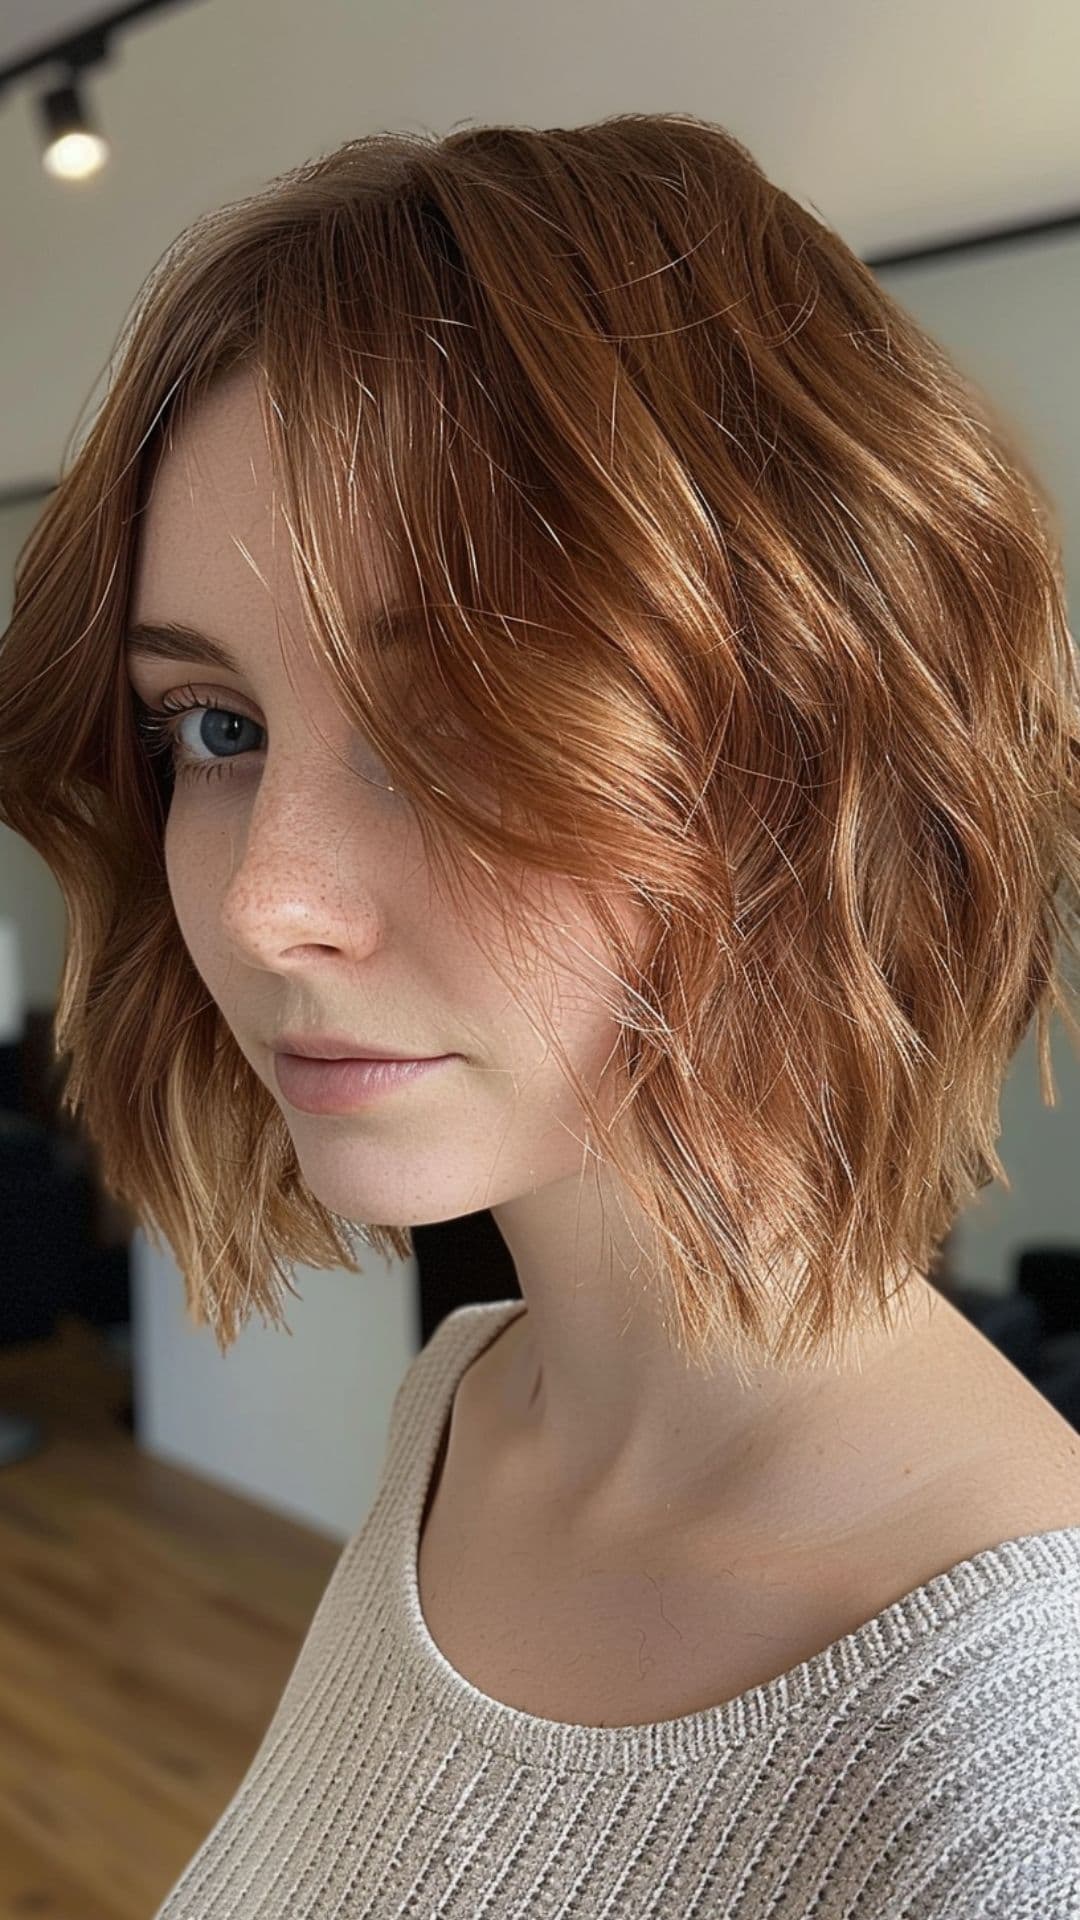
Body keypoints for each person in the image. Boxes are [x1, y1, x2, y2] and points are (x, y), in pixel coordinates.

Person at [2, 111, 1078, 1918]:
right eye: (215, 729)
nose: (267, 899)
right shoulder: (470, 1404)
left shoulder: (1013, 1783)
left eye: (454, 728)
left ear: (819, 747)